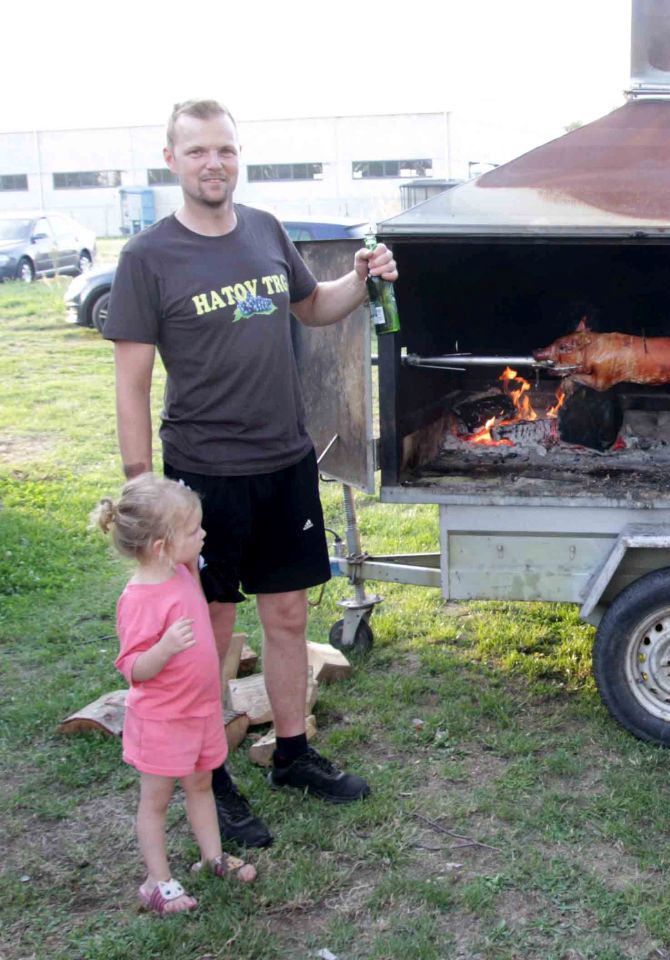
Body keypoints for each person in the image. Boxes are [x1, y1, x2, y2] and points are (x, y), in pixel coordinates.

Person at [103, 99, 398, 848]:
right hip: (205, 474)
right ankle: (215, 775)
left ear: (240, 156)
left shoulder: (266, 231)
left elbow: (314, 306)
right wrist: (143, 485)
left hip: (285, 458)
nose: (214, 164)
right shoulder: (148, 257)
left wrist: (362, 281)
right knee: (211, 629)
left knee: (289, 614)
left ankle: (293, 753)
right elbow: (131, 381)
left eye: (226, 150)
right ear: (172, 161)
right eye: (198, 151)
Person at [91, 475, 259, 915]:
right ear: (162, 546)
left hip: (199, 709)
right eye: (193, 531)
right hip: (164, 720)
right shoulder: (139, 599)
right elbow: (133, 669)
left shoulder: (184, 570)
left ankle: (212, 858)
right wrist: (163, 649)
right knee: (157, 801)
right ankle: (156, 882)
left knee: (202, 783)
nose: (203, 534)